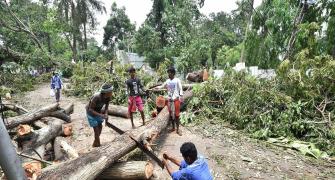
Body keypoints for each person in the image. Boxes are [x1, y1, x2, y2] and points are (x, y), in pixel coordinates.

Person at [155, 67, 183, 136]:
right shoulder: (167, 81)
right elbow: (162, 86)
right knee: (171, 115)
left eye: (170, 72)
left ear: (173, 73)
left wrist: (181, 97)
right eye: (168, 72)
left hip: (175, 100)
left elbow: (181, 89)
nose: (168, 74)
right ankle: (173, 128)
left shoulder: (177, 80)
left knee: (177, 115)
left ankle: (178, 129)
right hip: (169, 100)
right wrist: (157, 87)